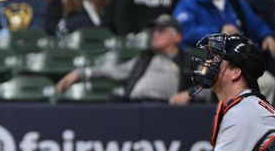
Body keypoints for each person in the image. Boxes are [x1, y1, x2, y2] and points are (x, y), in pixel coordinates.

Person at [56, 15, 193, 104]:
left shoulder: (186, 60)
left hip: (165, 109)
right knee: (113, 102)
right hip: (135, 105)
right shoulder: (145, 58)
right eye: (154, 30)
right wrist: (80, 73)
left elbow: (206, 87)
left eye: (162, 31)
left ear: (177, 37)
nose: (155, 34)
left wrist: (188, 95)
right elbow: (113, 71)